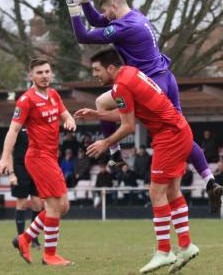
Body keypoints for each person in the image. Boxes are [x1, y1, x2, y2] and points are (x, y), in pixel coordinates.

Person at [63, 0, 223, 213]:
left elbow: (83, 36)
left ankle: (115, 154)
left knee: (102, 104)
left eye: (107, 12)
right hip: (167, 78)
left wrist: (73, 5)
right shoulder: (136, 16)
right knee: (181, 128)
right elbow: (99, 21)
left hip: (150, 84)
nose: (105, 17)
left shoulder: (124, 27)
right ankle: (209, 179)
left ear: (114, 7)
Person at [75, 47, 199, 274]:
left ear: (111, 68)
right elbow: (131, 115)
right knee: (172, 191)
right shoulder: (130, 73)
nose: (94, 74)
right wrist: (98, 114)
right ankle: (186, 245)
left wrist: (105, 143)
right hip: (179, 131)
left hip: (169, 136)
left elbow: (129, 126)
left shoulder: (121, 85)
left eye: (96, 70)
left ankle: (164, 251)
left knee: (156, 192)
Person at [0, 58, 77, 266]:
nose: (45, 76)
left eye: (47, 71)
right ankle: (49, 255)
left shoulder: (54, 95)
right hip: (38, 157)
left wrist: (69, 120)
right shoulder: (26, 100)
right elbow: (13, 130)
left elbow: (66, 114)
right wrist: (5, 157)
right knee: (54, 206)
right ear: (31, 76)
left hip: (51, 157)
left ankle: (25, 238)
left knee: (63, 206)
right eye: (39, 72)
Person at [9, 127, 43, 248]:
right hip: (20, 169)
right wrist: (11, 173)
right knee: (22, 203)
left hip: (35, 168)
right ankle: (21, 239)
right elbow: (9, 151)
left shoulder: (38, 128)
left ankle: (33, 238)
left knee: (37, 204)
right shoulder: (17, 128)